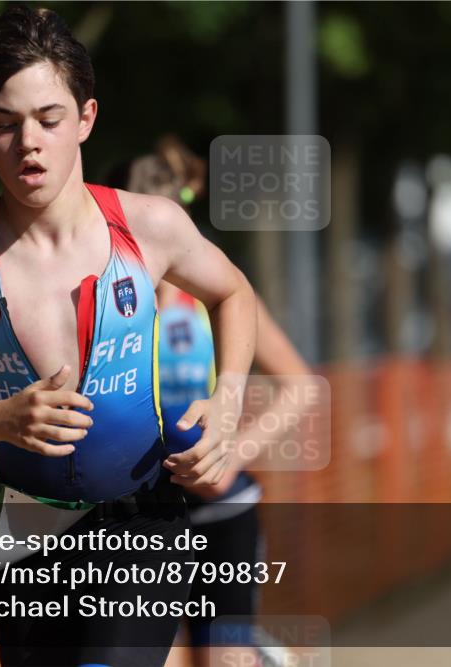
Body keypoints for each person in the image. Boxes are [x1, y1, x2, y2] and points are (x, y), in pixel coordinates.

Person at [0, 6, 256, 666]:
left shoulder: (150, 226)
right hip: (21, 528)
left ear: (85, 119)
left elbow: (235, 293)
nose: (29, 142)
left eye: (49, 119)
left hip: (142, 514)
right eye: (5, 124)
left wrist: (227, 405)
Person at [114, 139, 313, 667]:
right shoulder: (105, 310)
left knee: (221, 658)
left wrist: (234, 451)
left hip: (221, 508)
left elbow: (301, 385)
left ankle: (256, 656)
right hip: (139, 515)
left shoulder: (217, 302)